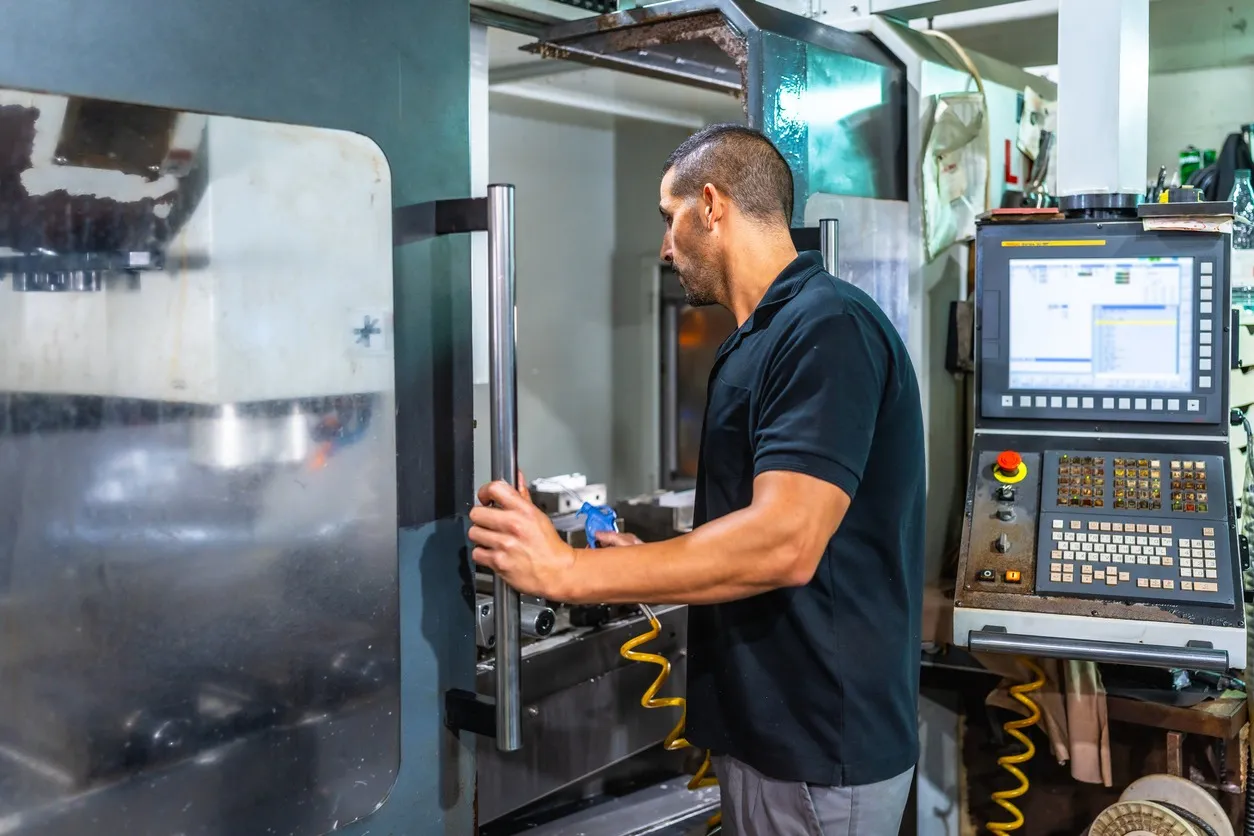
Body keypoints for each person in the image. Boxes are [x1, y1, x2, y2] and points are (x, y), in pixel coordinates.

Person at [468, 123, 925, 836]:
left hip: (818, 749)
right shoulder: (760, 340)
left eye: (667, 218)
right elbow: (750, 527)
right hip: (764, 737)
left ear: (710, 205)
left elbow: (784, 543)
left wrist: (562, 573)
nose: (663, 247)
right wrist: (632, 566)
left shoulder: (828, 326)